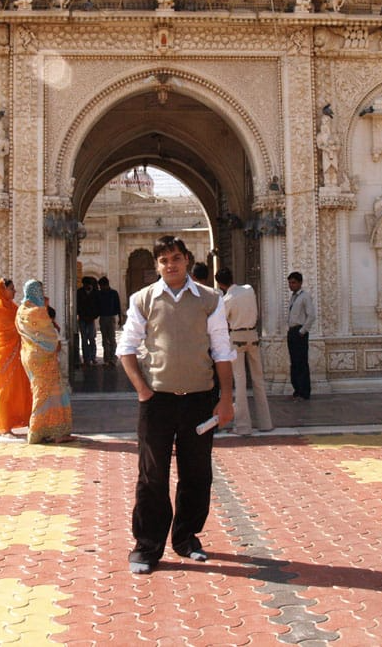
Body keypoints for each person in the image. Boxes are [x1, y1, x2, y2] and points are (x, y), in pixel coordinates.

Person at [117, 235, 235, 574]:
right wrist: (142, 390)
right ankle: (148, 545)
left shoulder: (209, 299)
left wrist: (225, 399)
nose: (171, 265)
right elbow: (126, 347)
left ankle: (186, 538)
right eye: (164, 260)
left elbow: (222, 351)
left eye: (176, 258)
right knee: (152, 474)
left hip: (199, 399)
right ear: (157, 265)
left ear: (187, 260)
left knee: (196, 473)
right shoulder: (144, 299)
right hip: (158, 402)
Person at [16, 280, 74, 445]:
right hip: (43, 358)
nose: (43, 295)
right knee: (52, 393)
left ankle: (42, 430)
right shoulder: (37, 311)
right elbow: (50, 334)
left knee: (40, 392)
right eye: (40, 291)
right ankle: (48, 432)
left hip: (29, 357)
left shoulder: (21, 310)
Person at [216, 267, 273, 435]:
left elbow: (222, 320)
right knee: (258, 379)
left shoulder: (227, 299)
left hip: (237, 338)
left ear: (220, 284)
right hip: (253, 335)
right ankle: (265, 423)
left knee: (240, 381)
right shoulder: (249, 289)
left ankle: (242, 426)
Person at [0, 277, 31, 438]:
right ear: (3, 290)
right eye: (11, 289)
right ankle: (4, 426)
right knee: (6, 389)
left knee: (21, 387)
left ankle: (26, 420)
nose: (14, 291)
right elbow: (9, 330)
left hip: (18, 353)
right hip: (6, 353)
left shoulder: (13, 307)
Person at [286, 271, 315, 400]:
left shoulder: (305, 296)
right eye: (290, 283)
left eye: (293, 282)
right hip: (292, 332)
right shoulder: (293, 297)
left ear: (300, 283)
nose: (291, 285)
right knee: (294, 362)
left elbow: (311, 315)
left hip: (299, 332)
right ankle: (297, 389)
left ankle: (304, 391)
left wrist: (302, 331)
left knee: (302, 361)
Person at [96, 276, 124, 367]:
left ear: (105, 285)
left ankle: (113, 359)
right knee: (104, 339)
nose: (100, 288)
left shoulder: (113, 293)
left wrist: (120, 318)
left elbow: (118, 306)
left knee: (112, 339)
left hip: (111, 317)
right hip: (103, 317)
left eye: (101, 286)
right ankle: (106, 359)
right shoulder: (99, 294)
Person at [76, 276, 100, 366]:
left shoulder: (95, 293)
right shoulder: (79, 292)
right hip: (82, 318)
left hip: (91, 318)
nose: (87, 286)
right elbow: (77, 305)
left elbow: (98, 305)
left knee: (92, 338)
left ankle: (93, 357)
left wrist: (94, 316)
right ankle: (86, 359)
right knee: (84, 339)